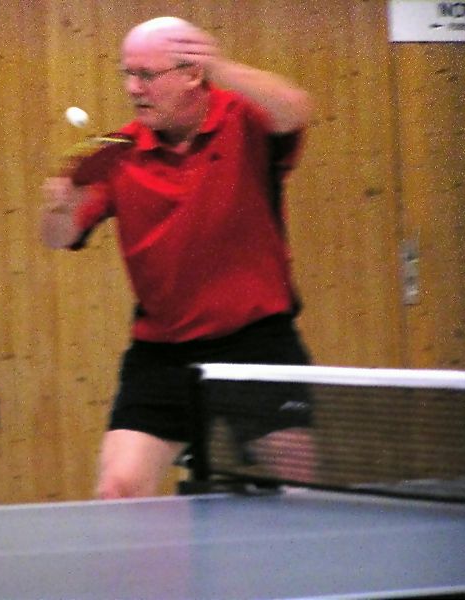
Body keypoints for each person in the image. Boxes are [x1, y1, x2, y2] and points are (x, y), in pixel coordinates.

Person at [41, 16, 316, 499]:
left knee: (299, 492)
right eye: (128, 74)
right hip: (163, 354)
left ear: (192, 74)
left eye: (147, 74)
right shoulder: (118, 153)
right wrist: (58, 209)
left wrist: (222, 67)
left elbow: (295, 110)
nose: (133, 88)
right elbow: (58, 238)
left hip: (256, 345)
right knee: (118, 489)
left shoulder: (244, 121)